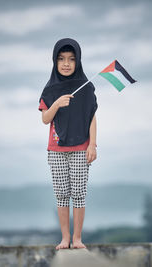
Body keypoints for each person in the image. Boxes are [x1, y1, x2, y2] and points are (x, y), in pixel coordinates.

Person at [38, 38, 98, 250]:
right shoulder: (50, 88)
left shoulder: (87, 87)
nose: (66, 63)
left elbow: (92, 117)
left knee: (79, 193)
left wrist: (93, 145)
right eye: (61, 59)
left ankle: (78, 238)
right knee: (62, 193)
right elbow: (45, 119)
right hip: (56, 149)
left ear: (78, 61)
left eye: (71, 59)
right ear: (54, 61)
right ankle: (65, 238)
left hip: (81, 147)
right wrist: (56, 103)